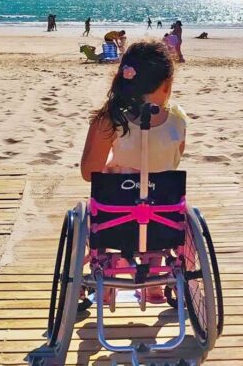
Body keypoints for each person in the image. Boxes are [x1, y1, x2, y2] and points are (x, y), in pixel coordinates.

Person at [80, 41, 185, 304]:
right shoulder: (178, 119)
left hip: (115, 219)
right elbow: (174, 160)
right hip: (163, 219)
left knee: (102, 204)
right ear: (167, 85)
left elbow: (88, 172)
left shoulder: (109, 119)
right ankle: (153, 282)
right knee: (157, 201)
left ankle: (105, 281)